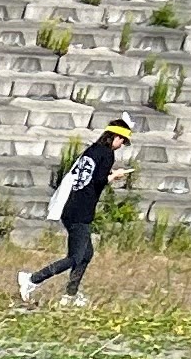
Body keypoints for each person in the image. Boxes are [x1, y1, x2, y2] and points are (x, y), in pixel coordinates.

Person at [22, 119, 130, 304]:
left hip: (70, 207)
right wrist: (115, 176)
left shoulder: (92, 150)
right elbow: (98, 181)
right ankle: (32, 280)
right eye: (122, 141)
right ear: (116, 137)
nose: (121, 145)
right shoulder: (107, 154)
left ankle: (70, 295)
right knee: (74, 257)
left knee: (86, 254)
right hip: (81, 212)